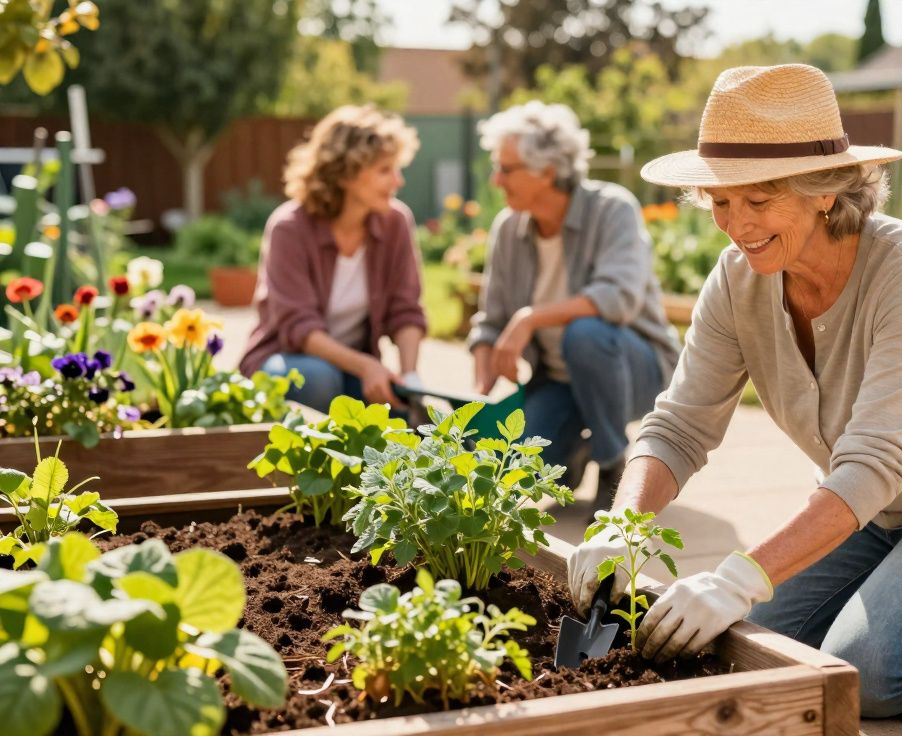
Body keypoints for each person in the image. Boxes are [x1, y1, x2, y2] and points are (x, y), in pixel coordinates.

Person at [566, 64, 902, 718]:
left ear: (824, 191)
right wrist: (621, 527)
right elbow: (680, 425)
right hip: (874, 512)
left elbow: (875, 459)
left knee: (873, 677)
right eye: (722, 202)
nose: (737, 226)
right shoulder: (739, 279)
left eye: (758, 201)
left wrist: (736, 577)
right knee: (759, 649)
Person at [469, 101, 681, 506]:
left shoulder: (612, 209)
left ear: (546, 171)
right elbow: (491, 321)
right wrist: (481, 388)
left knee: (585, 333)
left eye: (506, 168)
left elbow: (617, 297)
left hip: (636, 370)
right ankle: (578, 451)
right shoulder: (508, 229)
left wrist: (530, 319)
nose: (496, 179)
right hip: (558, 379)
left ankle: (612, 461)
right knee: (520, 473)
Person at [239, 105, 427, 414]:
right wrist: (366, 366)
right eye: (384, 170)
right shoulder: (290, 228)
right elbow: (299, 328)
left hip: (354, 367)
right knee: (320, 379)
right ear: (345, 174)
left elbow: (405, 310)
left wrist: (410, 378)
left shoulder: (395, 222)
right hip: (283, 362)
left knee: (400, 410)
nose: (398, 181)